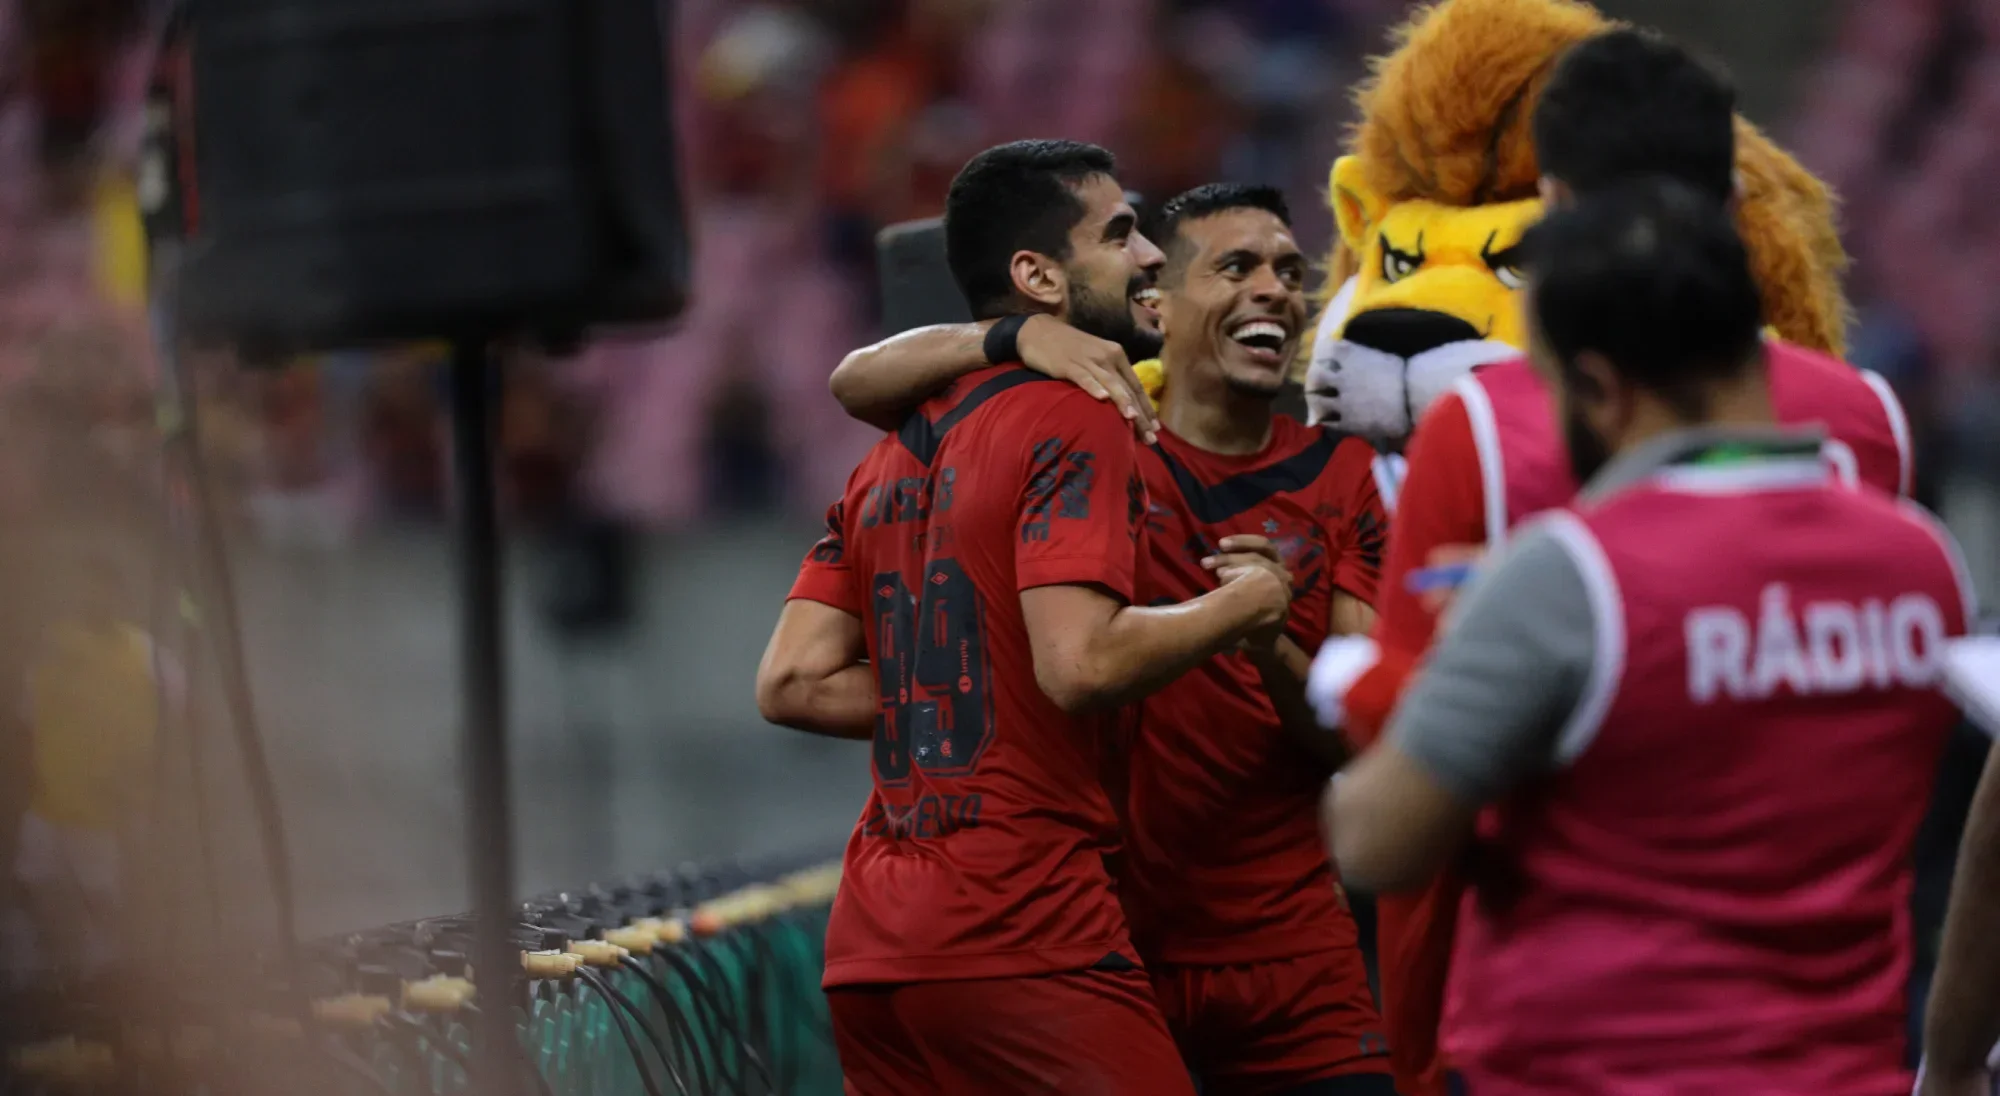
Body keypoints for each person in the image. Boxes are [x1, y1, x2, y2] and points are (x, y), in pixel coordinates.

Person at [1307, 29, 1918, 1095]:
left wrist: (1348, 677)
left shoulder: (1484, 429)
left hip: (1562, 1041)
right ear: (1736, 198)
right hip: (1837, 1047)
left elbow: (1402, 796)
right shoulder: (1870, 427)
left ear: (1549, 199)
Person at [824, 183, 1394, 1094]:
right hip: (1106, 942)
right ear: (1156, 302)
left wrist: (1264, 636)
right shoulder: (1094, 434)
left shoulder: (1344, 475)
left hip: (1290, 958)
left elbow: (1358, 735)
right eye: (1237, 266)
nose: (1276, 290)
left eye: (1291, 271)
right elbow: (855, 378)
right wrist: (1015, 336)